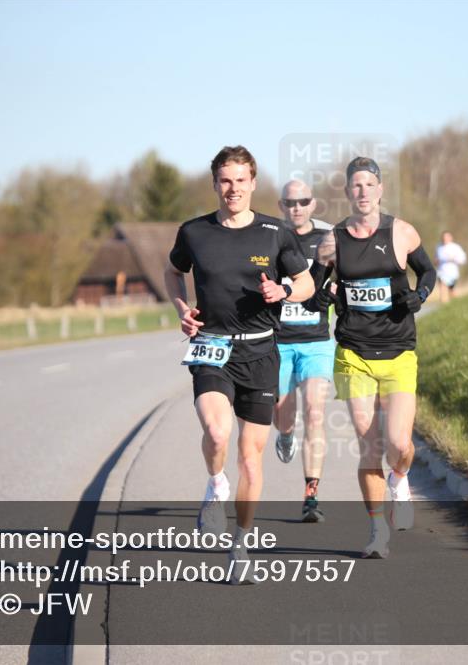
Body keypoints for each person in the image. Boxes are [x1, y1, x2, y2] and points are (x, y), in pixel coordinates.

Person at [164, 146, 313, 582]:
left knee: (251, 457)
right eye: (225, 181)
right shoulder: (194, 232)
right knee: (216, 431)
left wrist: (284, 293)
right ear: (215, 184)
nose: (233, 189)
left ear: (253, 182)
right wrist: (180, 307)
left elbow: (304, 282)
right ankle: (215, 486)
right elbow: (173, 271)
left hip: (262, 351)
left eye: (241, 180)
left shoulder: (275, 233)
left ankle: (241, 544)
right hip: (212, 346)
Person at [305, 157, 436, 559]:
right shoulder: (333, 241)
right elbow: (312, 292)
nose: (362, 191)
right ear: (347, 193)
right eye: (355, 186)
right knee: (369, 444)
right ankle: (377, 529)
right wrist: (321, 297)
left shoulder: (402, 232)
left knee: (399, 443)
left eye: (369, 184)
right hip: (353, 353)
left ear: (380, 190)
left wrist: (419, 297)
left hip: (398, 353)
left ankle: (400, 478)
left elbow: (428, 273)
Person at [273, 180, 335, 523]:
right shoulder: (270, 238)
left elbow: (344, 278)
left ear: (314, 204)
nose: (296, 207)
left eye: (303, 201)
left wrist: (334, 292)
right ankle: (284, 434)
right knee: (283, 415)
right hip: (278, 341)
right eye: (290, 202)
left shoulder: (326, 240)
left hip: (317, 341)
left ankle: (311, 495)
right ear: (281, 205)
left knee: (314, 412)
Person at [435, 231, 467, 303]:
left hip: (452, 273)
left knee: (452, 292)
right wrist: (436, 261)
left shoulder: (456, 247)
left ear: (451, 238)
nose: (445, 239)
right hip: (441, 272)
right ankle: (444, 307)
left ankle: (459, 304)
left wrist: (453, 259)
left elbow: (463, 260)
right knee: (443, 289)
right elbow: (436, 260)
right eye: (443, 237)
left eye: (447, 237)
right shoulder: (439, 247)